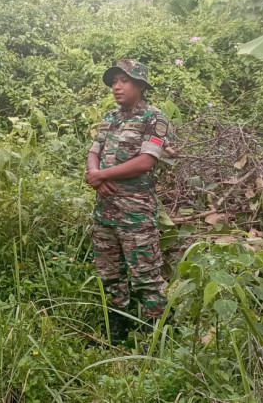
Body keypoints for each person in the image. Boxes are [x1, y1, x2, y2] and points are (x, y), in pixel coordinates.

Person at [85, 59, 173, 344]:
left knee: (146, 275)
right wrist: (93, 173)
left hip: (136, 213)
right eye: (113, 81)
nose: (116, 86)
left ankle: (158, 337)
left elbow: (146, 162)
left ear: (140, 84)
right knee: (109, 275)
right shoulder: (110, 117)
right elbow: (94, 150)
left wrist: (100, 176)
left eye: (123, 80)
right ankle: (116, 333)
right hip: (105, 212)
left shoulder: (154, 118)